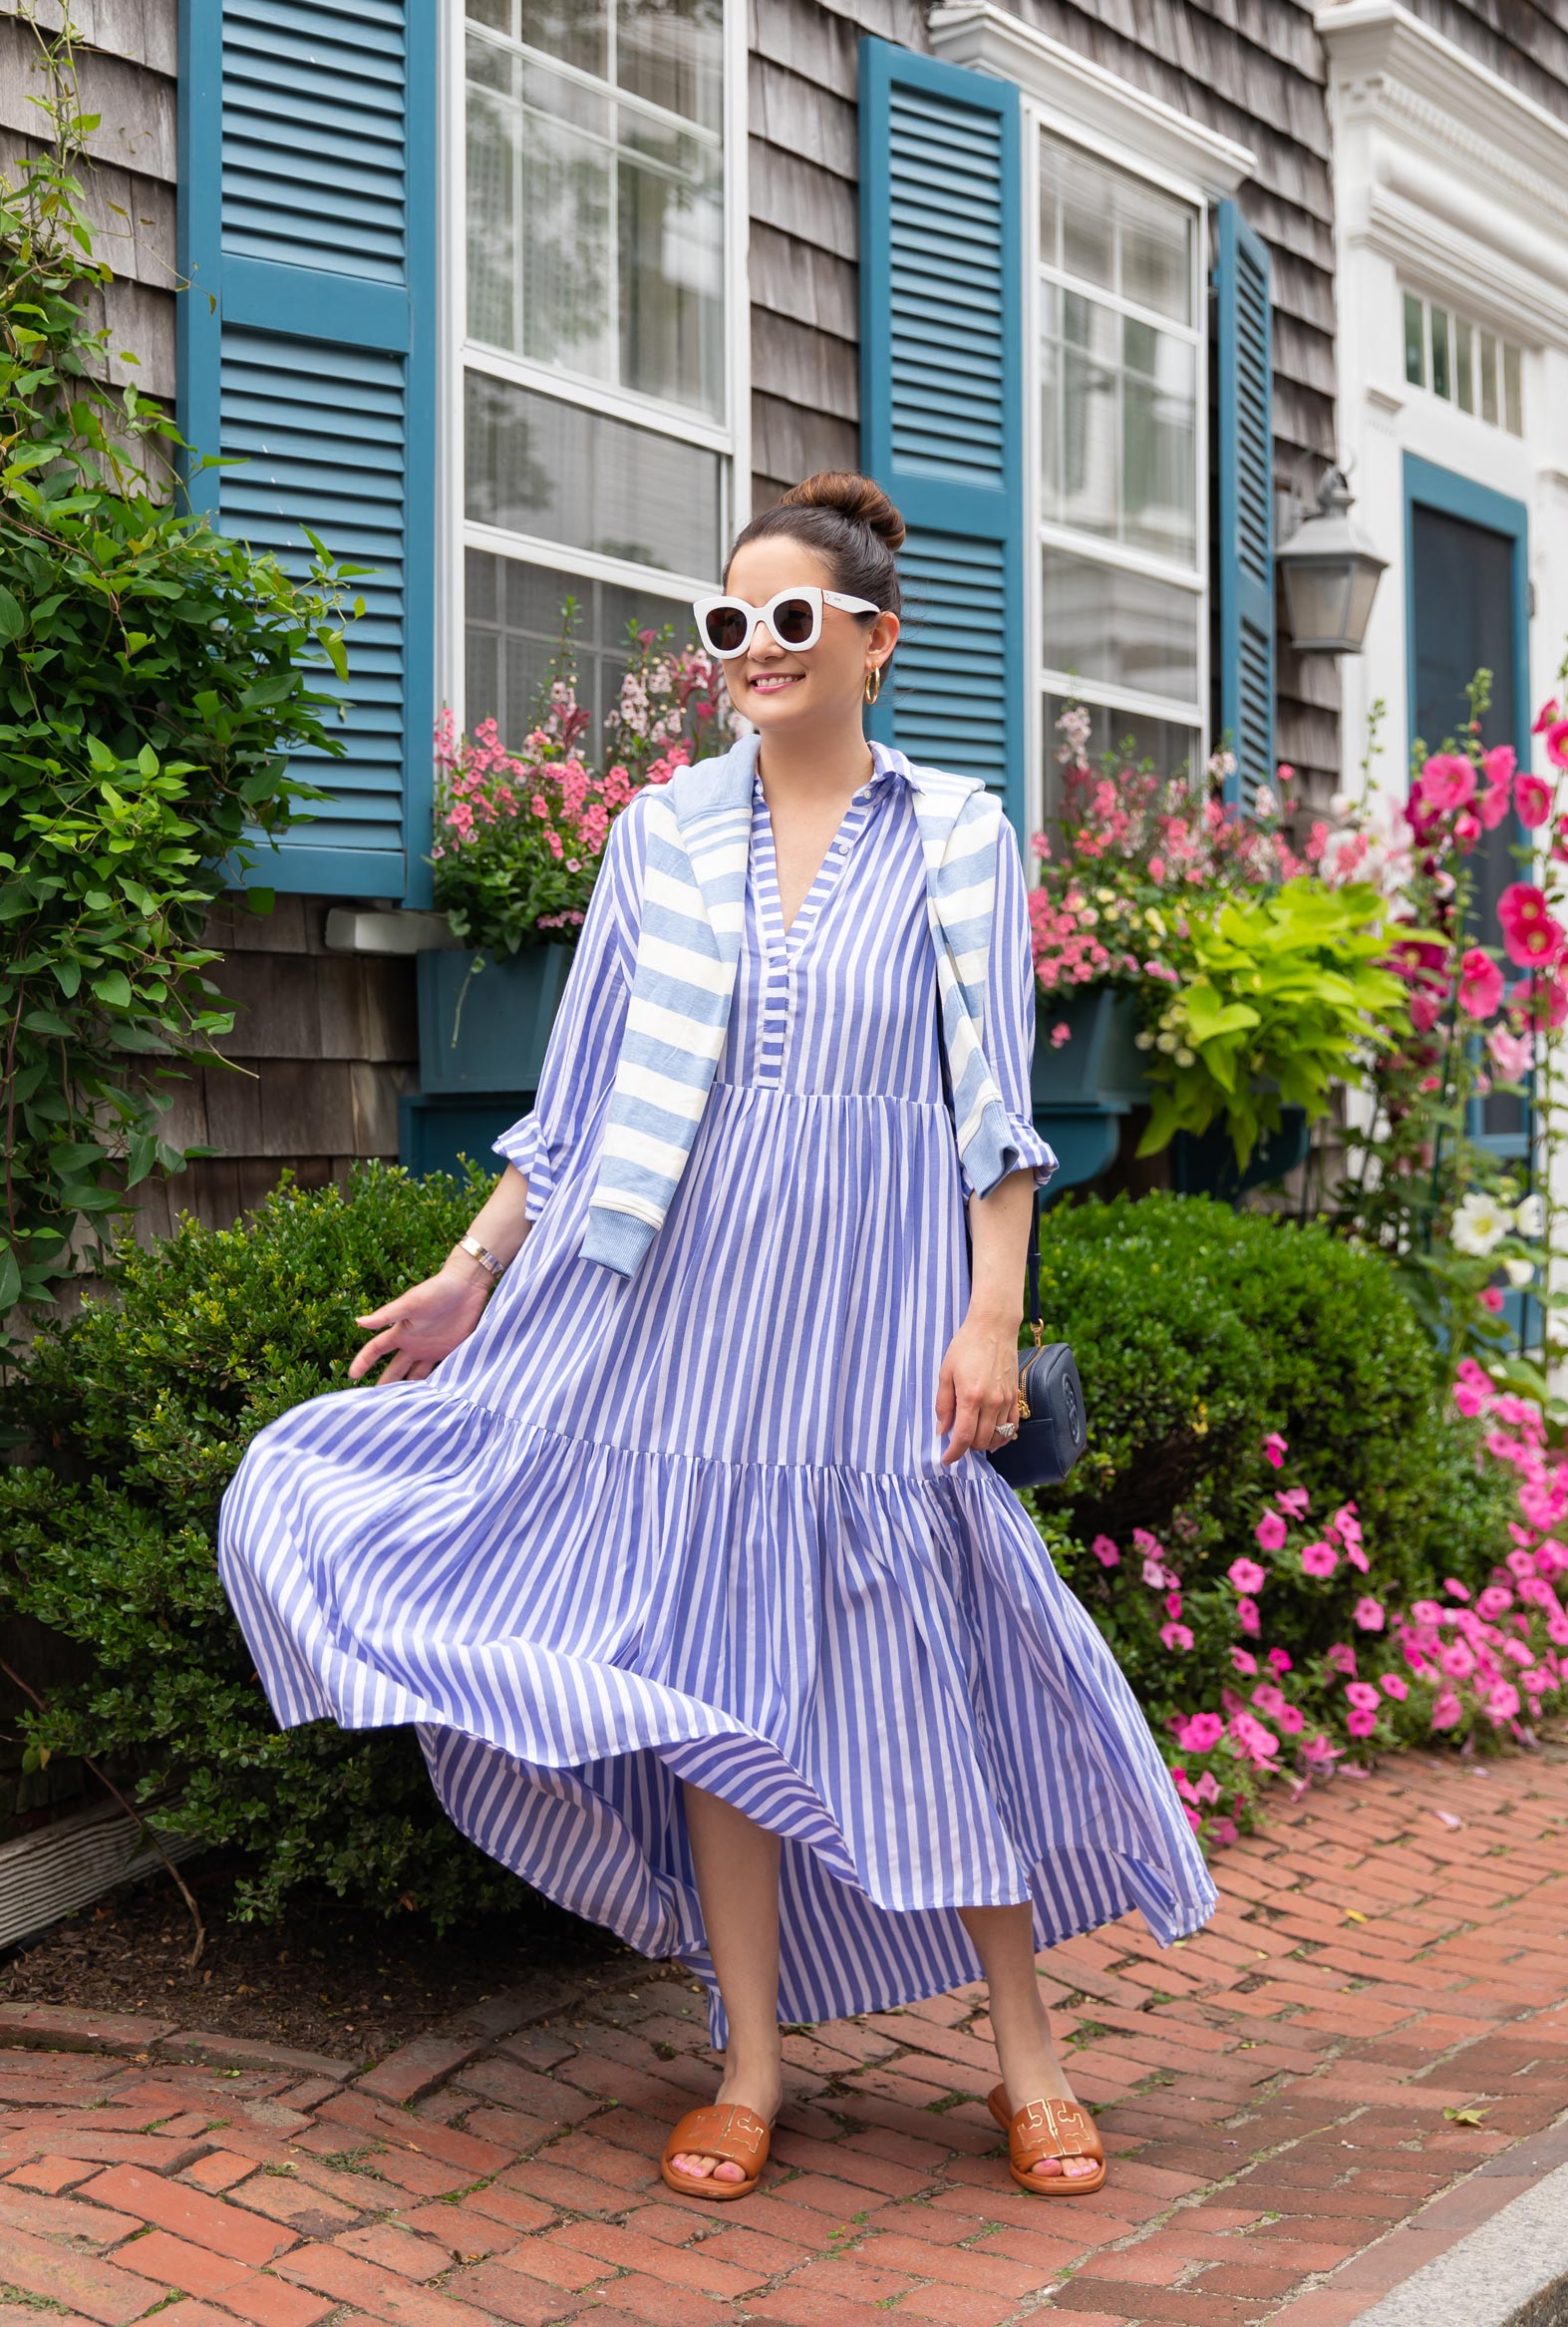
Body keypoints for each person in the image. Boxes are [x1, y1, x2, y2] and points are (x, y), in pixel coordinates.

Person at [218, 472, 1217, 2205]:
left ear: (873, 642)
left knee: (933, 1666)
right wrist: (473, 1268)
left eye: (789, 621)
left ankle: (1027, 2056)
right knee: (709, 1689)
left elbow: (994, 1112)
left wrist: (994, 1317)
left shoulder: (962, 838)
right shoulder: (657, 837)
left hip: (868, 1317)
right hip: (673, 1314)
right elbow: (581, 1096)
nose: (752, 651)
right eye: (726, 625)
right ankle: (747, 2063)